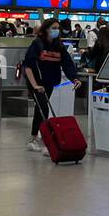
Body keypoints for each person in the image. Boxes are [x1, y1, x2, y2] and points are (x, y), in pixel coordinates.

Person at [22, 18, 82, 152]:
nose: (56, 30)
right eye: (54, 28)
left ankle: (33, 140)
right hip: (36, 82)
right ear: (46, 29)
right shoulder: (37, 44)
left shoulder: (58, 46)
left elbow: (67, 63)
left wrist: (75, 78)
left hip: (49, 83)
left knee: (40, 110)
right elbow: (28, 66)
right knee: (43, 109)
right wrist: (35, 86)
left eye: (58, 28)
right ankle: (46, 142)